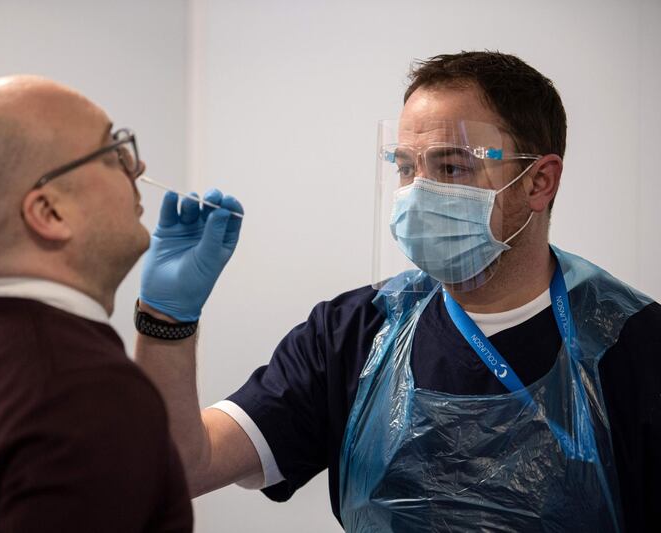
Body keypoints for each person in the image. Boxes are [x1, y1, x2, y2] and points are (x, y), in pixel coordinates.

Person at [135, 52, 661, 532]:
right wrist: (166, 320)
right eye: (407, 168)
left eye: (451, 166)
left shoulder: (631, 343)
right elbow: (180, 466)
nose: (419, 193)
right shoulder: (353, 334)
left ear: (538, 181)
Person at [0, 75, 243, 532]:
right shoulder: (86, 389)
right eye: (113, 153)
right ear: (49, 213)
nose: (138, 167)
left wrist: (166, 319)